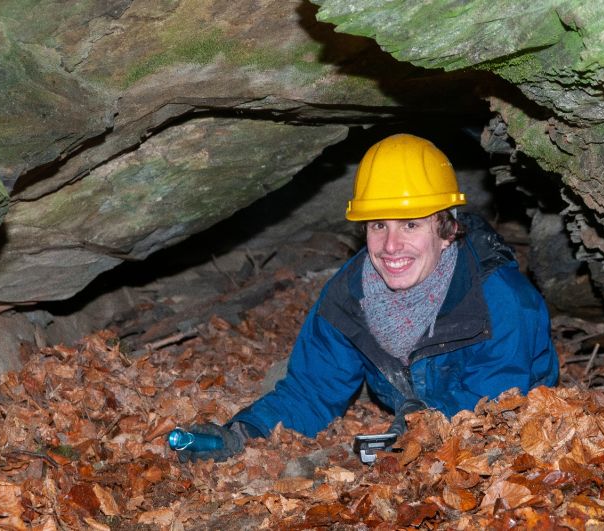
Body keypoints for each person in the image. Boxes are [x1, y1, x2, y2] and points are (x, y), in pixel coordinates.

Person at [177, 133, 559, 462]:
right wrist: (243, 433)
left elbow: (497, 405)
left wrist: (419, 424)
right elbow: (312, 390)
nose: (391, 246)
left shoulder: (501, 301)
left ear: (446, 231)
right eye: (378, 225)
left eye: (410, 224)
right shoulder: (350, 294)